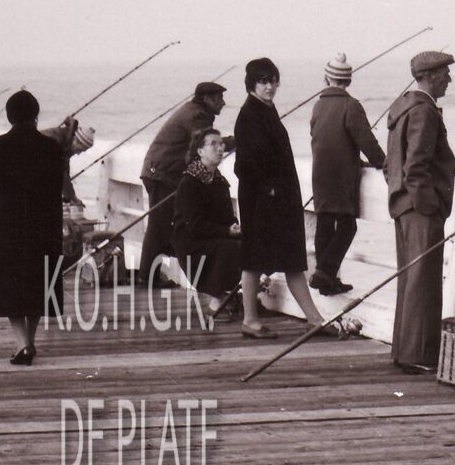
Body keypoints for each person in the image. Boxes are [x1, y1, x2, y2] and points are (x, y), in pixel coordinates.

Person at [0, 89, 76, 364]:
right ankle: (31, 340)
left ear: (9, 116)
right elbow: (60, 186)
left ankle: (22, 343)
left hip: (6, 225)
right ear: (36, 115)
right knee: (38, 282)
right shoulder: (52, 147)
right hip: (44, 224)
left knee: (9, 284)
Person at [233, 58, 338, 340]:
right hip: (262, 203)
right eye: (263, 81)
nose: (269, 86)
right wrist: (269, 189)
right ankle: (250, 320)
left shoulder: (266, 110)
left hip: (279, 201)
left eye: (272, 80)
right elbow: (244, 166)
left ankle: (314, 319)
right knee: (254, 260)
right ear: (251, 84)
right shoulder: (249, 115)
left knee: (292, 260)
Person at [385, 50, 455, 373]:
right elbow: (416, 167)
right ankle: (419, 356)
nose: (449, 79)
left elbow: (392, 164)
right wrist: (431, 206)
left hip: (403, 206)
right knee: (423, 281)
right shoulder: (425, 112)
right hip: (419, 209)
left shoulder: (402, 108)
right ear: (429, 76)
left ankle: (404, 352)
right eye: (445, 73)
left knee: (410, 280)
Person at [309, 52, 385, 296]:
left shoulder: (318, 106)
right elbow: (366, 141)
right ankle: (324, 272)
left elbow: (322, 139)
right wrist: (382, 163)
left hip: (320, 174)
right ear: (348, 81)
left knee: (324, 225)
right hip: (341, 178)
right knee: (347, 226)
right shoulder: (351, 106)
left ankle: (327, 281)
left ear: (326, 79)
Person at [139, 81, 227, 286]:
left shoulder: (194, 111)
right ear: (207, 99)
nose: (223, 103)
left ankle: (150, 275)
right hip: (161, 174)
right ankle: (148, 277)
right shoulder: (197, 116)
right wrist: (236, 141)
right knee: (159, 226)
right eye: (219, 98)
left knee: (165, 225)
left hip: (161, 172)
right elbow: (205, 144)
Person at [172, 126, 243, 321]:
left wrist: (234, 226)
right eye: (213, 144)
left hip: (212, 235)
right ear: (200, 151)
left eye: (221, 144)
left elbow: (228, 216)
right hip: (190, 242)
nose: (220, 148)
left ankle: (239, 294)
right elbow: (194, 225)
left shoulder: (219, 180)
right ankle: (216, 304)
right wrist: (227, 232)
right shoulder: (190, 182)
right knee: (228, 247)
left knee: (250, 241)